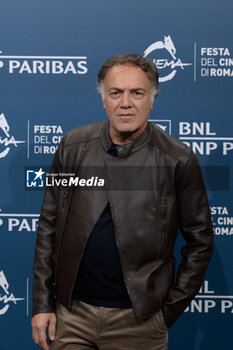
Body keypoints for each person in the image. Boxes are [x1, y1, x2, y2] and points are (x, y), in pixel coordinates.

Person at [31, 54, 214, 350]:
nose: (125, 102)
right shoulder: (72, 147)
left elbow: (200, 242)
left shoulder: (177, 159)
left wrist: (166, 313)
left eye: (137, 93)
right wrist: (42, 303)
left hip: (139, 323)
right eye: (115, 93)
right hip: (72, 317)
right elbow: (48, 227)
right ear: (103, 99)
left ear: (152, 100)